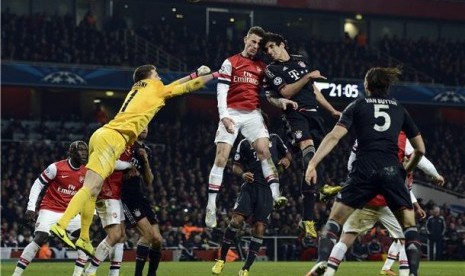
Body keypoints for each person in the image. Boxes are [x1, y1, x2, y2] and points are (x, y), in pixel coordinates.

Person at [50, 64, 217, 255]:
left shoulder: (138, 88)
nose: (160, 77)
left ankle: (84, 238)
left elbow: (170, 86)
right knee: (90, 187)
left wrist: (194, 73)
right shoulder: (154, 87)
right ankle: (62, 225)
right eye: (157, 74)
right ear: (149, 77)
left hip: (102, 134)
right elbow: (186, 88)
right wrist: (215, 75)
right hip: (114, 138)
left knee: (93, 190)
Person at [305, 67, 434, 276]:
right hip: (392, 172)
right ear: (387, 86)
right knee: (409, 228)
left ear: (366, 85)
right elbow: (420, 149)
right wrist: (405, 170)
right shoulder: (400, 109)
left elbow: (334, 137)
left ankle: (322, 262)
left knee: (334, 221)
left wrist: (313, 164)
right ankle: (412, 274)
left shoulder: (357, 105)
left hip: (363, 171)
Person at [308, 133, 445, 276]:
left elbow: (350, 165)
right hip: (390, 199)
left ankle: (326, 272)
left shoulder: (362, 134)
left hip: (365, 197)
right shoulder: (400, 137)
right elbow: (422, 160)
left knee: (347, 237)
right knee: (405, 239)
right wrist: (436, 176)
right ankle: (407, 273)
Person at [205, 26, 294, 229]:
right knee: (221, 158)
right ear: (246, 39)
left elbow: (271, 92)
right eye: (252, 42)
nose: (255, 46)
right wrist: (224, 116)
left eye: (258, 44)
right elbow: (221, 91)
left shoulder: (263, 67)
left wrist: (281, 102)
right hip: (232, 112)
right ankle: (211, 205)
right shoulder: (230, 62)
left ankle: (276, 194)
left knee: (264, 151)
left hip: (253, 113)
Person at [260, 32, 341, 238]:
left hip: (314, 115)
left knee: (312, 160)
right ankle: (320, 192)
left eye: (271, 47)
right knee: (309, 153)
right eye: (267, 49)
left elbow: (313, 91)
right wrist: (307, 76)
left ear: (282, 45)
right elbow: (286, 92)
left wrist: (331, 110)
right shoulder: (272, 70)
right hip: (295, 114)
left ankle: (306, 220)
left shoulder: (301, 61)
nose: (269, 52)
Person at [211, 130, 292, 276]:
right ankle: (221, 260)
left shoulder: (275, 138)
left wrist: (286, 160)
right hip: (250, 187)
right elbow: (236, 166)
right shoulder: (244, 143)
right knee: (236, 221)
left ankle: (245, 268)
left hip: (267, 190)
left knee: (259, 228)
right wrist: (242, 174)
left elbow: (288, 155)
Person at [13, 141, 89, 276]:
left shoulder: (87, 171)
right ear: (71, 152)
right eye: (81, 150)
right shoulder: (56, 167)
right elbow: (38, 184)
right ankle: (16, 274)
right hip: (50, 209)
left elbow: (90, 193)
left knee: (83, 239)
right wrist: (31, 207)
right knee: (40, 238)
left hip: (70, 213)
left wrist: (92, 212)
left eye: (85, 150)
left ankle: (77, 274)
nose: (84, 153)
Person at [121, 128, 164, 276]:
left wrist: (145, 161)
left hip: (140, 197)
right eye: (142, 125)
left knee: (158, 240)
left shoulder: (146, 151)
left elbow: (149, 181)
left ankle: (151, 274)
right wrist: (126, 170)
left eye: (147, 126)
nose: (145, 128)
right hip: (126, 197)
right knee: (147, 235)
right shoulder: (125, 146)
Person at [83, 153, 132, 276]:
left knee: (121, 236)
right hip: (107, 194)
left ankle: (114, 273)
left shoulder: (128, 146)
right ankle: (90, 270)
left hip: (116, 195)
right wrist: (130, 165)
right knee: (114, 235)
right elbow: (111, 161)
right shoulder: (111, 142)